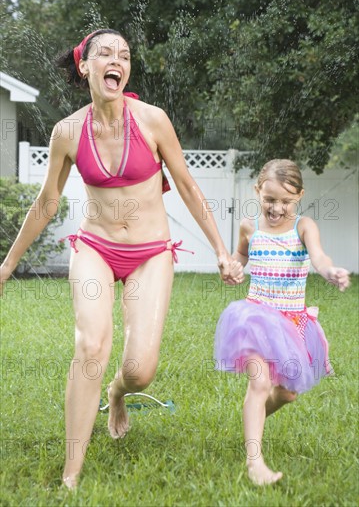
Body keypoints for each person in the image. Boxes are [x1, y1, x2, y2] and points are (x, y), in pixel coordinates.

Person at [0, 29, 244, 489]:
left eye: (125, 55)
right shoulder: (67, 131)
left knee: (139, 370)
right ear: (85, 67)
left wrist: (220, 249)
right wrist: (7, 265)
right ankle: (71, 475)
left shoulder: (152, 120)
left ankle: (116, 393)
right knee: (90, 347)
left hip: (150, 252)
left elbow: (189, 186)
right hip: (95, 246)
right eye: (107, 54)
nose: (118, 60)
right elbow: (46, 202)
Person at [214, 159, 350, 486]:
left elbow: (318, 256)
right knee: (259, 384)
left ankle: (254, 416)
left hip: (293, 322)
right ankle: (254, 461)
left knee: (287, 393)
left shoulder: (304, 227)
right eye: (269, 200)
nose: (276, 208)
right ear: (257, 191)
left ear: (299, 196)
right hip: (256, 318)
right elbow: (241, 255)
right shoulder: (250, 226)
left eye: (286, 202)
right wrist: (232, 266)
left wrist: (329, 271)